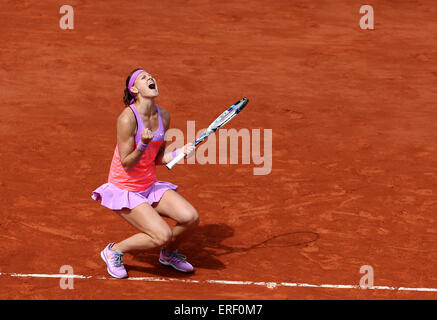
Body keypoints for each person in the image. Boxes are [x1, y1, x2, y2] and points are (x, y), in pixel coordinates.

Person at [91, 68, 199, 279]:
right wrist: (142, 144)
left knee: (190, 218)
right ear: (134, 89)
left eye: (151, 76)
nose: (150, 78)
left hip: (149, 185)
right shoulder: (127, 119)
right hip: (125, 188)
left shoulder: (164, 116)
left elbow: (157, 158)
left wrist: (180, 153)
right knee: (162, 234)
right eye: (143, 77)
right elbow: (127, 164)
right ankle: (114, 250)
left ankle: (168, 254)